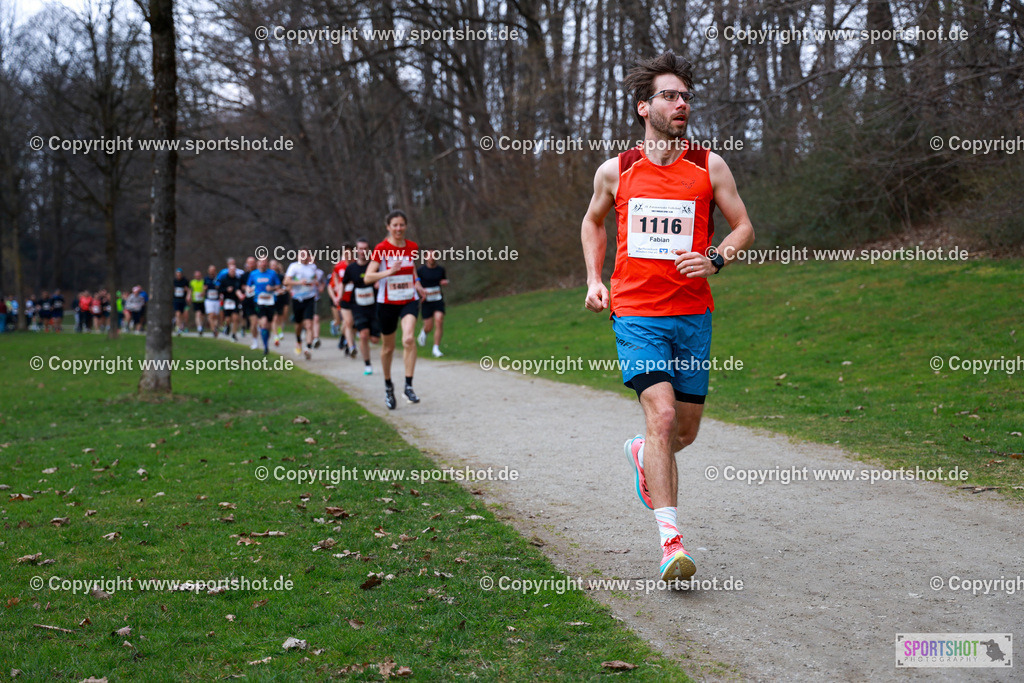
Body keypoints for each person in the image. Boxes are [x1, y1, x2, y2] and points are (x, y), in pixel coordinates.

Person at [581, 52, 755, 585]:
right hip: (636, 312)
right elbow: (591, 223)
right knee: (660, 418)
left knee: (683, 431)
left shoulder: (708, 166)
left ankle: (643, 455)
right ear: (644, 108)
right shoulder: (617, 170)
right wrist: (594, 278)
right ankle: (671, 544)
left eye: (685, 97)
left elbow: (743, 226)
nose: (681, 104)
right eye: (669, 96)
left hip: (692, 314)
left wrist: (717, 257)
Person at [364, 210, 424, 409]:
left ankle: (408, 385)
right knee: (388, 348)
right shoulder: (381, 248)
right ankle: (388, 386)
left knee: (408, 339)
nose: (399, 228)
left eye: (402, 225)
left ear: (406, 226)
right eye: (395, 225)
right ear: (388, 227)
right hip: (387, 303)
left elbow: (412, 267)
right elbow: (367, 277)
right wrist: (388, 271)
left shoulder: (412, 247)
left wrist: (417, 283)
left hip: (408, 300)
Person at [343, 238, 381, 375]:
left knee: (375, 339)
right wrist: (339, 297)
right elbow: (343, 283)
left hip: (374, 305)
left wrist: (379, 282)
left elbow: (383, 277)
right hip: (358, 305)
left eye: (365, 249)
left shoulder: (374, 265)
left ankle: (372, 336)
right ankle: (367, 364)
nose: (362, 251)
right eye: (360, 249)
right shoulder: (351, 268)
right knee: (363, 335)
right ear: (356, 250)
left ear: (369, 250)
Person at [284, 248, 320, 360]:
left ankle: (308, 348)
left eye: (305, 255)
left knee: (309, 324)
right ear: (298, 256)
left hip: (309, 298)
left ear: (309, 256)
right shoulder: (294, 267)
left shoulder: (312, 267)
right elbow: (286, 282)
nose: (303, 257)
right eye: (301, 254)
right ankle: (298, 339)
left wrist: (314, 283)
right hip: (297, 299)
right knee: (298, 324)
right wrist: (299, 282)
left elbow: (314, 279)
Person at [246, 257, 282, 355]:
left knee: (269, 326)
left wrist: (272, 288)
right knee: (264, 323)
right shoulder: (253, 274)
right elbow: (248, 285)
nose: (263, 263)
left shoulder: (272, 273)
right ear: (258, 263)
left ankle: (266, 342)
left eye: (265, 261)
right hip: (259, 301)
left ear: (267, 263)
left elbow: (278, 286)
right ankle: (266, 347)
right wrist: (249, 289)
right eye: (261, 261)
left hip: (270, 301)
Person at [416, 250, 448, 358]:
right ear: (425, 257)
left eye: (434, 256)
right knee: (429, 326)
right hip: (426, 301)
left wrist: (444, 282)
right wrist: (421, 292)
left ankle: (436, 348)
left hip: (438, 299)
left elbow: (443, 280)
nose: (432, 258)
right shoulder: (420, 270)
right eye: (429, 256)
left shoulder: (440, 269)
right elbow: (416, 283)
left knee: (439, 320)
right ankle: (424, 332)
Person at [217, 259, 246, 341]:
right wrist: (226, 290)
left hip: (235, 300)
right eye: (231, 270)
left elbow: (240, 289)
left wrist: (241, 294)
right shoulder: (224, 279)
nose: (233, 272)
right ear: (228, 270)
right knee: (228, 318)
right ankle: (227, 326)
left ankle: (234, 334)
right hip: (227, 300)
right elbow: (219, 290)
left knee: (235, 317)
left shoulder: (238, 279)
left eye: (234, 270)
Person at [202, 265, 222, 337]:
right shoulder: (206, 279)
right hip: (209, 300)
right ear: (208, 271)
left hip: (216, 300)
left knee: (216, 316)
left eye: (213, 270)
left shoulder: (218, 279)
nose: (212, 272)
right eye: (211, 270)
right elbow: (204, 289)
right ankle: (213, 330)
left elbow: (221, 288)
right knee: (211, 315)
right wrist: (204, 291)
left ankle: (215, 327)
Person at [173, 268, 190, 334]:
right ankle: (178, 327)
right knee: (178, 313)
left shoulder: (185, 281)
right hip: (176, 299)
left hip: (184, 300)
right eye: (177, 274)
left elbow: (189, 290)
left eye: (180, 274)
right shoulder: (174, 281)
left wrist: (188, 295)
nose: (179, 275)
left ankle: (183, 326)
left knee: (185, 314)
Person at [189, 269, 206, 335]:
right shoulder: (192, 282)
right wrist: (189, 296)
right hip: (195, 300)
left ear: (200, 276)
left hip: (202, 300)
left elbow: (205, 288)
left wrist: (203, 292)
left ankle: (201, 326)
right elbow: (190, 290)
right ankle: (199, 327)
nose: (197, 277)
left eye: (198, 276)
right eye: (196, 276)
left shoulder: (203, 281)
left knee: (202, 315)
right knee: (198, 313)